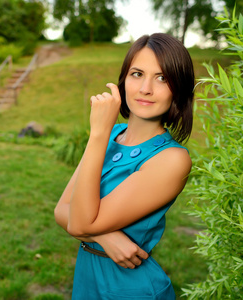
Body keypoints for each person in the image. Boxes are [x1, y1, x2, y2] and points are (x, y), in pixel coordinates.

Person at [54, 33, 195, 299]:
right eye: (137, 74)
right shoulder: (112, 134)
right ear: (123, 80)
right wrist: (107, 238)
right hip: (88, 276)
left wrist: (97, 134)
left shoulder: (171, 159)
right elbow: (62, 210)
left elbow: (78, 223)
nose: (145, 89)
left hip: (130, 288)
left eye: (162, 78)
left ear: (179, 89)